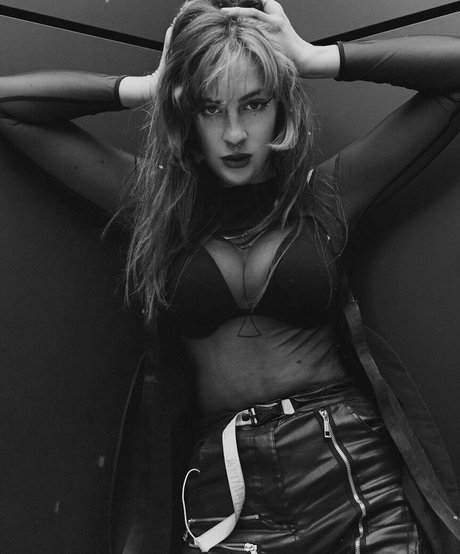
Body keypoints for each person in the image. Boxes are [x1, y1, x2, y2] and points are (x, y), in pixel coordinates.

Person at [1, 0, 460, 552]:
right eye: (211, 108)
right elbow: (10, 107)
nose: (236, 132)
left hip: (350, 472)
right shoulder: (155, 207)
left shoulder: (325, 196)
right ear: (186, 115)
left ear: (281, 108)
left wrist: (314, 59)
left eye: (254, 103)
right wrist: (151, 86)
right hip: (229, 493)